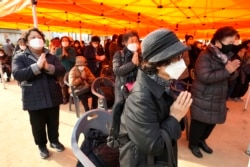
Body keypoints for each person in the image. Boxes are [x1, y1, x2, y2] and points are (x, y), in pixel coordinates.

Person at [118, 28, 192, 167]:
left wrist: (177, 114)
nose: (181, 63)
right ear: (158, 64)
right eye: (176, 58)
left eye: (180, 57)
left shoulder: (163, 82)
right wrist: (175, 116)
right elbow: (154, 146)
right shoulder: (140, 98)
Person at [12, 28, 66, 159]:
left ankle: (54, 141)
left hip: (52, 94)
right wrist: (37, 67)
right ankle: (42, 145)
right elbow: (17, 74)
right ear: (27, 42)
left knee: (54, 122)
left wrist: (48, 67)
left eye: (39, 37)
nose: (37, 39)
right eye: (33, 37)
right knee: (38, 125)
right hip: (33, 96)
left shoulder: (51, 57)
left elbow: (61, 70)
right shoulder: (20, 57)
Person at [189, 26, 240, 158]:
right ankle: (193, 144)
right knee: (200, 122)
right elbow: (205, 77)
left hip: (218, 95)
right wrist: (227, 71)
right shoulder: (205, 56)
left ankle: (202, 140)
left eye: (233, 42)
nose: (232, 46)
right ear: (218, 42)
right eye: (229, 43)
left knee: (212, 122)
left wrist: (233, 72)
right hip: (204, 95)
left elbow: (229, 77)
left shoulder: (224, 56)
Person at [112, 31, 140, 103]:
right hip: (122, 89)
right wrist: (132, 64)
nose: (134, 43)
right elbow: (117, 71)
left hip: (137, 89)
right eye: (131, 41)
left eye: (136, 41)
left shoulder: (140, 55)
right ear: (125, 43)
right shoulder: (119, 54)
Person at [55, 36, 76, 104]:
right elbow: (56, 59)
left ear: (69, 42)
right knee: (63, 84)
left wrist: (67, 55)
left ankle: (72, 97)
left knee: (71, 84)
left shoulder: (72, 50)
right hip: (61, 69)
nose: (65, 42)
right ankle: (64, 97)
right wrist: (62, 55)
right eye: (63, 40)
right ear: (61, 42)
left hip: (70, 69)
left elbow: (74, 60)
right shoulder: (58, 50)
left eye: (66, 40)